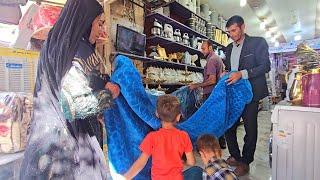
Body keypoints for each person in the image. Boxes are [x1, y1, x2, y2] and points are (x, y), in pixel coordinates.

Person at [20, 0, 119, 179]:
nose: (101, 31)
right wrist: (109, 94)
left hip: (43, 140)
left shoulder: (54, 46)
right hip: (64, 152)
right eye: (99, 23)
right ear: (85, 21)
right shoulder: (77, 50)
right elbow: (74, 105)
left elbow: (63, 91)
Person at [223, 15, 271, 176]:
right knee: (229, 126)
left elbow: (265, 66)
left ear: (243, 27)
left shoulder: (258, 42)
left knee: (250, 129)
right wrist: (227, 73)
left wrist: (241, 74)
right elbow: (230, 68)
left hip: (251, 93)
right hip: (234, 93)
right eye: (229, 31)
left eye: (234, 30)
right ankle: (235, 156)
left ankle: (245, 161)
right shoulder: (228, 48)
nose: (232, 34)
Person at [123, 94, 196, 180]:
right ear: (178, 117)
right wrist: (181, 163)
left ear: (157, 114)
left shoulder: (152, 137)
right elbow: (191, 162)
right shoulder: (184, 136)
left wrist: (125, 177)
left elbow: (141, 162)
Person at [189, 40, 226, 149]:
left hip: (210, 93)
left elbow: (211, 80)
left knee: (209, 119)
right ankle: (221, 141)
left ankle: (210, 145)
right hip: (217, 93)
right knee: (217, 118)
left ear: (210, 48)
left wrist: (196, 85)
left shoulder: (211, 60)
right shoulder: (218, 59)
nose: (202, 50)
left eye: (204, 48)